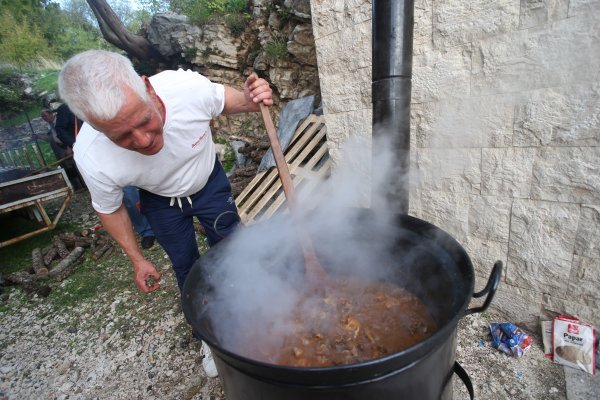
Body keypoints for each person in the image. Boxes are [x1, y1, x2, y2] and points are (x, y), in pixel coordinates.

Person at [57, 50, 273, 377]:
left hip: (209, 184)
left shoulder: (187, 88)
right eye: (122, 136)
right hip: (160, 200)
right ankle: (210, 337)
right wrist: (137, 259)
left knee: (235, 249)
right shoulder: (91, 156)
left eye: (143, 121)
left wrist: (253, 96)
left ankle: (260, 312)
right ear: (99, 129)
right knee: (187, 264)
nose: (143, 140)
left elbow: (238, 102)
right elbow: (110, 208)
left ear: (148, 88)